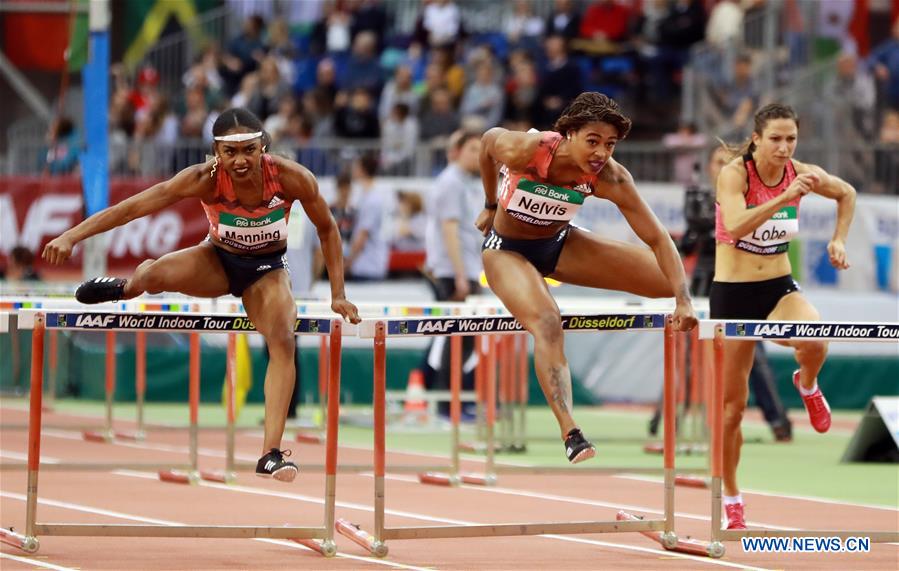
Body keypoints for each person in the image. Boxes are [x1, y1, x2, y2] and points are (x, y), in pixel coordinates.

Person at [42, 107, 361, 483]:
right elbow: (131, 209)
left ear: (263, 148)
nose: (240, 161)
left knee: (282, 337)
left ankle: (270, 453)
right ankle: (124, 288)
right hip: (216, 259)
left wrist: (338, 293)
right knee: (153, 273)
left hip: (266, 270)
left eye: (249, 151)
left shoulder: (292, 178)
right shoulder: (202, 179)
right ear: (216, 153)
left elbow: (328, 229)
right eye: (231, 153)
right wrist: (71, 236)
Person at [476, 92, 698, 464]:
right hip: (506, 250)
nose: (600, 153)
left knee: (666, 280)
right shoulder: (526, 150)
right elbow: (486, 144)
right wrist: (489, 203)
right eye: (592, 141)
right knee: (548, 321)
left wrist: (683, 299)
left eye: (609, 145)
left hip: (560, 243)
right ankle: (570, 431)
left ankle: (683, 292)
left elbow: (658, 237)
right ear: (568, 134)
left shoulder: (609, 176)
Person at [714, 103, 856, 529]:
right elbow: (736, 225)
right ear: (757, 138)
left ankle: (807, 385)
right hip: (733, 294)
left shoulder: (802, 171)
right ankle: (732, 495)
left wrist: (839, 241)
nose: (784, 147)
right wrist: (784, 198)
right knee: (732, 411)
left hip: (778, 288)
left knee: (815, 337)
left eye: (791, 139)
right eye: (775, 138)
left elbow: (846, 193)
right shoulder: (734, 173)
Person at [648, 147, 793, 443]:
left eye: (728, 162)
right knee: (687, 355)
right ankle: (666, 421)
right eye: (717, 162)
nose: (722, 167)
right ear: (711, 168)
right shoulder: (700, 199)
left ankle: (778, 420)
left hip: (740, 283)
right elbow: (689, 245)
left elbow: (743, 230)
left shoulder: (752, 196)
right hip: (704, 284)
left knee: (755, 356)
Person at [424, 130, 483, 416]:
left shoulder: (467, 184)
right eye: (473, 149)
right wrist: (460, 275)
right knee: (456, 336)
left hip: (466, 267)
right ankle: (448, 404)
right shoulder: (450, 183)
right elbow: (449, 230)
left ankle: (450, 401)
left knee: (462, 338)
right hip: (453, 271)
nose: (479, 155)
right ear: (457, 151)